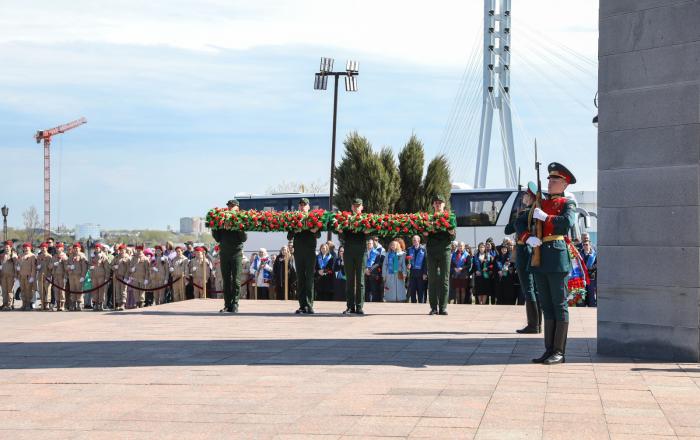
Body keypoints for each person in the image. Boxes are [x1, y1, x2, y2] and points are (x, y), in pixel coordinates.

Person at [526, 162, 577, 365]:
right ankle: (548, 349)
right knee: (547, 305)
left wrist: (547, 217)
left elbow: (567, 223)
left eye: (555, 180)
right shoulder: (541, 203)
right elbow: (529, 224)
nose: (550, 182)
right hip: (540, 258)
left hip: (557, 258)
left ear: (564, 184)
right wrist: (529, 236)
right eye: (549, 179)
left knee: (559, 304)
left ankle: (559, 351)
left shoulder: (568, 203)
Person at [505, 182, 542, 333]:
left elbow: (512, 229)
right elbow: (508, 230)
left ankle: (534, 324)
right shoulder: (525, 212)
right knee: (532, 288)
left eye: (526, 195)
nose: (523, 197)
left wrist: (518, 217)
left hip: (524, 251)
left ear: (531, 197)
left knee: (529, 288)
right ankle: (536, 324)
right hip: (526, 250)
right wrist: (516, 216)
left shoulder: (530, 212)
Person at [212, 199, 248, 313]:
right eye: (229, 206)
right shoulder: (223, 219)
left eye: (232, 206)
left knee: (236, 281)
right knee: (226, 280)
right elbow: (218, 238)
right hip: (224, 254)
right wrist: (215, 226)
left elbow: (244, 238)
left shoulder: (240, 219)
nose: (230, 208)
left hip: (236, 254)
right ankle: (227, 305)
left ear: (237, 208)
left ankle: (235, 303)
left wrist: (238, 226)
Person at [424, 195, 456, 315]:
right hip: (432, 251)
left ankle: (443, 307)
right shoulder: (428, 217)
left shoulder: (450, 217)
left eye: (440, 203)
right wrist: (425, 233)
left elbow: (453, 236)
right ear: (433, 205)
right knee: (432, 279)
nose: (438, 205)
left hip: (444, 251)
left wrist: (450, 230)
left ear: (444, 205)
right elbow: (424, 236)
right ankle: (433, 307)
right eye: (436, 203)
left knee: (444, 279)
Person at [287, 198, 320, 314]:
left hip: (310, 251)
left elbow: (318, 234)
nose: (302, 207)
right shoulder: (294, 219)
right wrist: (295, 229)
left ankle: (309, 305)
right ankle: (302, 305)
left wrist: (313, 229)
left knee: (310, 278)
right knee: (300, 278)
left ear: (308, 207)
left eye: (304, 205)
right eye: (300, 205)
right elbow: (289, 236)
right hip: (299, 252)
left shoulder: (313, 218)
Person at [338, 199, 368, 314]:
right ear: (351, 207)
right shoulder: (346, 219)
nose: (356, 208)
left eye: (358, 206)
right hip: (349, 251)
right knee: (349, 280)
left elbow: (371, 233)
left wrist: (367, 231)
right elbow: (343, 237)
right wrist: (340, 231)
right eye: (354, 206)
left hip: (361, 252)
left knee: (360, 280)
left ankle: (359, 306)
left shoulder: (366, 219)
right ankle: (350, 306)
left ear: (362, 207)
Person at [89, 243, 111, 311]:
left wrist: (106, 277)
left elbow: (107, 267)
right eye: (95, 248)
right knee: (94, 291)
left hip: (101, 275)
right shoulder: (92, 256)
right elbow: (89, 264)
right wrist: (90, 267)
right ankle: (95, 304)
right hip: (94, 275)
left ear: (100, 248)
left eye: (98, 248)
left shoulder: (103, 256)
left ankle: (100, 304)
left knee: (101, 291)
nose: (96, 249)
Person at [66, 244, 88, 311]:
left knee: (79, 290)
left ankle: (79, 304)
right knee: (72, 290)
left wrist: (83, 276)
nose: (76, 249)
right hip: (71, 275)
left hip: (79, 276)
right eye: (74, 248)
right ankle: (73, 303)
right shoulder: (71, 256)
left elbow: (84, 267)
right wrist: (69, 267)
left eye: (77, 248)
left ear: (80, 248)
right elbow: (67, 265)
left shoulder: (82, 256)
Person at [406, 235, 427, 304]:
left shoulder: (424, 249)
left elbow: (426, 263)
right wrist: (408, 265)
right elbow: (407, 260)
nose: (414, 241)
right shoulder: (409, 249)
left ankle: (422, 304)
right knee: (412, 290)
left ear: (419, 240)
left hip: (421, 273)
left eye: (415, 240)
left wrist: (425, 273)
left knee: (421, 290)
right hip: (412, 273)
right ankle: (413, 305)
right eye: (413, 240)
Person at [18, 243, 37, 311]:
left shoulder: (32, 256)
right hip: (21, 275)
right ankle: (24, 304)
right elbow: (19, 264)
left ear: (30, 248)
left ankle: (28, 304)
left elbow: (33, 267)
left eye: (27, 247)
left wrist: (32, 276)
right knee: (23, 290)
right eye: (24, 248)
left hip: (28, 276)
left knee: (28, 290)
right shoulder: (21, 255)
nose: (26, 249)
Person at [111, 244, 130, 310]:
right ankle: (118, 304)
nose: (122, 251)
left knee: (123, 291)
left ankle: (123, 304)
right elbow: (111, 265)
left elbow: (129, 268)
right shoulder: (116, 257)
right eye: (120, 250)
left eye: (123, 250)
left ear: (125, 250)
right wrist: (114, 267)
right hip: (117, 277)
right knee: (118, 291)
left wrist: (126, 277)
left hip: (124, 277)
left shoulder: (128, 258)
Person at [50, 243, 68, 311]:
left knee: (62, 291)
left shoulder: (65, 256)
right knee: (56, 290)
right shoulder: (54, 256)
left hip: (62, 275)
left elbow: (66, 268)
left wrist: (63, 261)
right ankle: (57, 305)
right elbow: (49, 266)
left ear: (62, 248)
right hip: (55, 275)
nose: (58, 249)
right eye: (57, 248)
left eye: (59, 247)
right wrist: (53, 264)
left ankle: (62, 305)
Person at [0, 241, 18, 310]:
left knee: (10, 291)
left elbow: (16, 265)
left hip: (11, 275)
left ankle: (10, 305)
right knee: (4, 291)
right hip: (3, 275)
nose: (6, 248)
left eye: (7, 247)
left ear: (11, 247)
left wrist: (16, 275)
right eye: (5, 247)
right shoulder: (1, 255)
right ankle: (4, 304)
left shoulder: (13, 255)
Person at [36, 242, 53, 311]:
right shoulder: (39, 257)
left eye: (44, 247)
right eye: (41, 248)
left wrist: (50, 275)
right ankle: (42, 304)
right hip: (40, 276)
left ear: (47, 248)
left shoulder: (49, 256)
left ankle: (47, 304)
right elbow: (36, 266)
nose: (43, 249)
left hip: (47, 276)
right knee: (41, 290)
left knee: (47, 290)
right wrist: (38, 266)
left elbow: (51, 267)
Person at [581, 240, 597, 307]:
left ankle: (592, 306)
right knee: (582, 293)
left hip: (591, 276)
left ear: (590, 245)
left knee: (591, 293)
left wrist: (590, 269)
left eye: (586, 244)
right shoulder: (580, 254)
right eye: (584, 245)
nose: (585, 246)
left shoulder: (594, 254)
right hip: (582, 277)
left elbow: (597, 264)